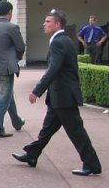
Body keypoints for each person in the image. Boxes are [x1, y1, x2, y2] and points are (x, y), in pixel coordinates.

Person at [12, 9, 102, 176]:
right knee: (47, 129)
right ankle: (32, 155)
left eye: (48, 22)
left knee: (76, 132)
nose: (44, 24)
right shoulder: (63, 40)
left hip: (64, 96)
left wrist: (37, 91)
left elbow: (54, 69)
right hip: (58, 97)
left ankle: (92, 164)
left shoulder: (58, 42)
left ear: (57, 24)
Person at [0, 1, 26, 138]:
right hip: (7, 67)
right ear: (10, 12)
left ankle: (17, 121)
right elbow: (21, 47)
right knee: (4, 96)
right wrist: (16, 58)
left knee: (7, 94)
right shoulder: (12, 27)